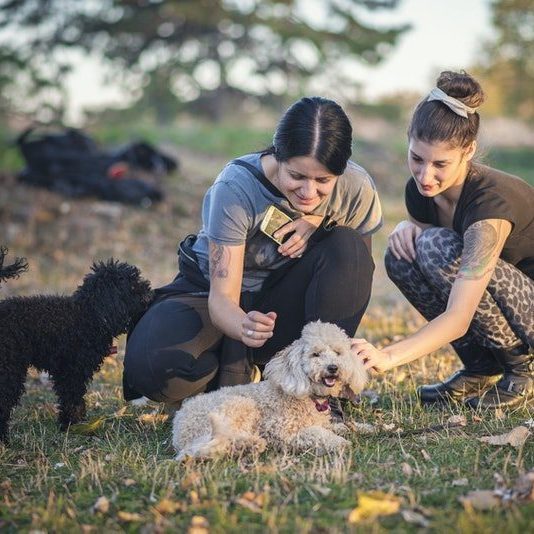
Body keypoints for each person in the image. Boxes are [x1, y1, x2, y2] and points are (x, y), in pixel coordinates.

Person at [123, 96, 382, 409]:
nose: (308, 192)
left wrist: (323, 225)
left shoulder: (357, 187)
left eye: (323, 181)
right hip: (214, 299)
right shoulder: (236, 188)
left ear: (340, 172)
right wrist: (244, 326)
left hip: (285, 304)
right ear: (278, 154)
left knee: (349, 246)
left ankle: (315, 393)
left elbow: (355, 273)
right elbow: (223, 301)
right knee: (156, 371)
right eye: (296, 176)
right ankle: (234, 373)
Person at [353, 71, 534, 409]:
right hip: (506, 304)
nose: (425, 175)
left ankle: (523, 370)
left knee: (436, 248)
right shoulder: (420, 192)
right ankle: (482, 366)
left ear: (469, 151)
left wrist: (389, 356)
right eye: (416, 158)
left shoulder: (489, 205)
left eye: (440, 164)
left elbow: (460, 314)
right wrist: (411, 229)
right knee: (402, 254)